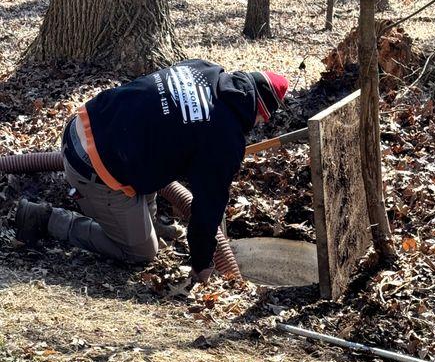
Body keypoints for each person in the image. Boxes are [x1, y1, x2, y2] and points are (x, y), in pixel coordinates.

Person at [15, 59, 288, 283]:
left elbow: (159, 116)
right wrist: (202, 265)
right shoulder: (224, 137)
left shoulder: (204, 69)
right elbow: (208, 208)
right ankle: (46, 219)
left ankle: (146, 223)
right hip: (94, 167)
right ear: (260, 112)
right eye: (261, 120)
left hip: (88, 122)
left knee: (164, 147)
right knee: (142, 252)